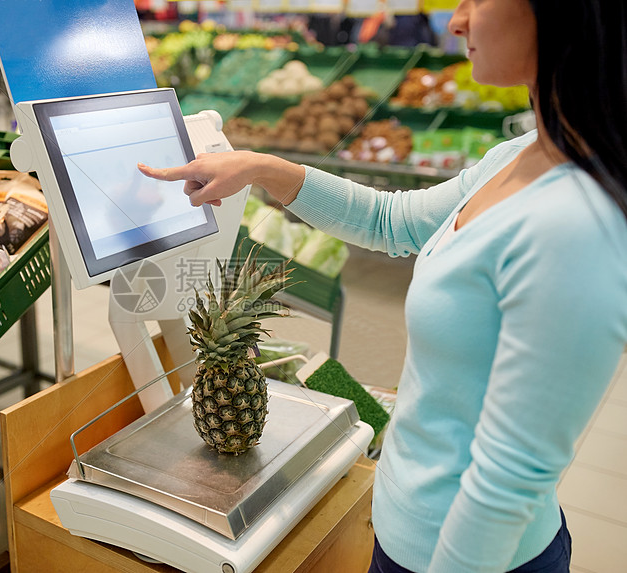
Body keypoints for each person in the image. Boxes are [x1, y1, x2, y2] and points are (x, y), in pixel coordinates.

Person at [138, 1, 627, 571]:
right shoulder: (518, 155)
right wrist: (264, 169)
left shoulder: (578, 223)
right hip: (402, 530)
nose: (457, 20)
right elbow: (391, 222)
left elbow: (512, 477)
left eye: (476, 0)